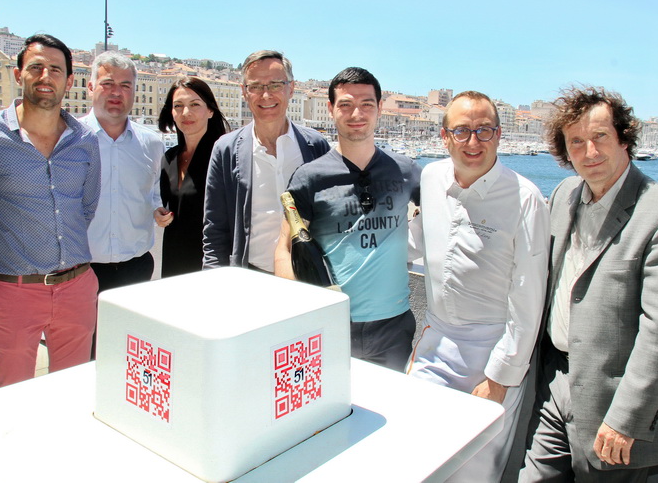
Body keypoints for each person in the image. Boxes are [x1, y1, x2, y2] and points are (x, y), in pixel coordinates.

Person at [520, 86, 658, 481]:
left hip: (613, 405)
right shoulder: (565, 194)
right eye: (576, 142)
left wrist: (626, 419)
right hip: (555, 383)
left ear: (624, 138)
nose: (590, 152)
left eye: (600, 136)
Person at [406, 91, 550, 481]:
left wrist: (500, 379)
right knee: (414, 459)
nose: (474, 142)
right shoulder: (432, 177)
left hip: (491, 355)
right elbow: (416, 241)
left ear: (500, 135)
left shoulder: (526, 200)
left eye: (484, 131)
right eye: (463, 131)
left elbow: (528, 298)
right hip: (435, 346)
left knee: (472, 472)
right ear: (444, 136)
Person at [0, 34, 101, 388]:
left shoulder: (85, 141)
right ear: (19, 75)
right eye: (36, 67)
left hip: (77, 288)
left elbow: (86, 207)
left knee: (71, 393)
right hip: (12, 291)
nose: (46, 75)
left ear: (69, 81)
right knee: (12, 398)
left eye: (56, 69)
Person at [275, 67, 421, 371]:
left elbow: (448, 214)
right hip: (330, 324)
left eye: (367, 104)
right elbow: (285, 249)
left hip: (393, 326)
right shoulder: (309, 178)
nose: (357, 113)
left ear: (380, 108)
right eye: (345, 104)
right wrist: (302, 311)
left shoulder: (407, 170)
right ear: (331, 109)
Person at [203, 50, 330, 272]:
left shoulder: (315, 146)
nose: (266, 95)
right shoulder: (226, 149)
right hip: (251, 277)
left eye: (275, 85)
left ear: (291, 88)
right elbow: (214, 229)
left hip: (308, 278)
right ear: (244, 92)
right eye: (255, 86)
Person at [82, 51, 167, 292]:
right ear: (90, 87)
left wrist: (158, 209)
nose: (116, 92)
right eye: (107, 84)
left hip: (136, 269)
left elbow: (156, 192)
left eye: (125, 85)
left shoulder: (153, 144)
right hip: (80, 271)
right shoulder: (68, 141)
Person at [158, 76, 228, 277]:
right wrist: (159, 213)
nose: (185, 113)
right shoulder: (170, 158)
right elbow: (170, 205)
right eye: (178, 106)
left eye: (194, 104)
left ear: (210, 110)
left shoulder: (224, 156)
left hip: (210, 264)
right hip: (174, 261)